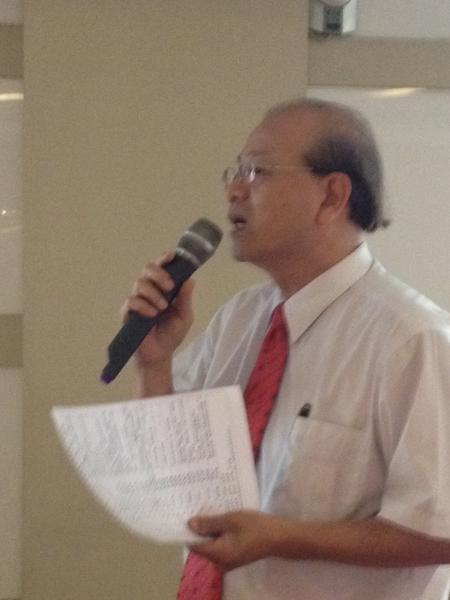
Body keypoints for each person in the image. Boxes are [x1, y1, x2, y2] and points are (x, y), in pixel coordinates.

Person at [122, 98, 450, 599]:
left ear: (331, 195)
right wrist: (153, 362)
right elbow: (174, 474)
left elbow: (440, 529)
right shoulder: (240, 319)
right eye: (236, 171)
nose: (234, 190)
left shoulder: (411, 339)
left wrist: (283, 539)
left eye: (257, 172)